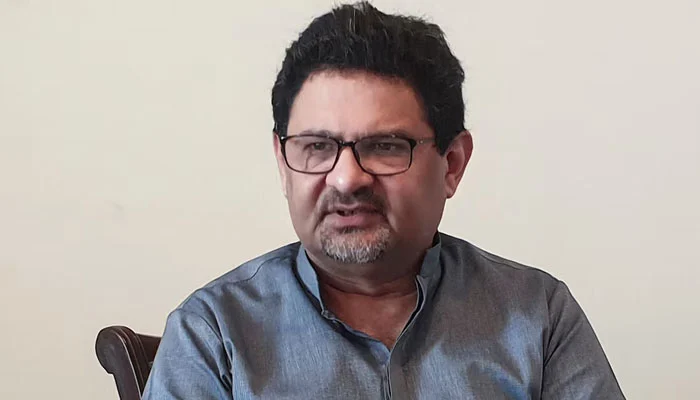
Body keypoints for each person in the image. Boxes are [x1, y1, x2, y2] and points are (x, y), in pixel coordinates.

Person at [142, 2, 625, 399]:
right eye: (317, 147)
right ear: (282, 163)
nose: (346, 178)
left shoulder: (538, 315)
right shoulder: (213, 333)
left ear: (452, 164)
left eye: (385, 146)